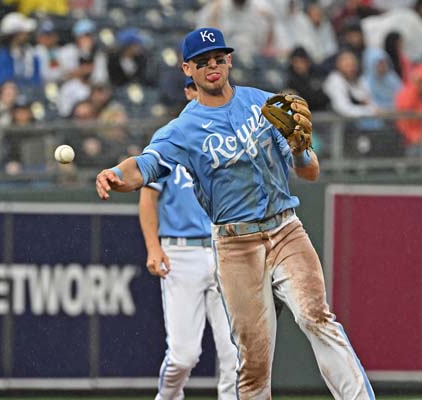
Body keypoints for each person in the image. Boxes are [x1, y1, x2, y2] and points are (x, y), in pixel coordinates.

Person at [95, 27, 374, 399]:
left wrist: (299, 149)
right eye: (203, 62)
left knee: (315, 316)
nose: (213, 66)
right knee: (254, 359)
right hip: (235, 245)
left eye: (219, 58)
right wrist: (115, 175)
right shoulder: (182, 129)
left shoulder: (265, 105)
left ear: (229, 61)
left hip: (284, 229)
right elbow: (145, 167)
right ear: (187, 70)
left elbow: (309, 172)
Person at [138, 77, 238, 400]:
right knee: (184, 356)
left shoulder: (226, 139)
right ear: (188, 91)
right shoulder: (171, 138)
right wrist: (153, 247)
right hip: (181, 253)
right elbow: (148, 196)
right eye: (198, 89)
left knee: (235, 354)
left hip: (224, 249)